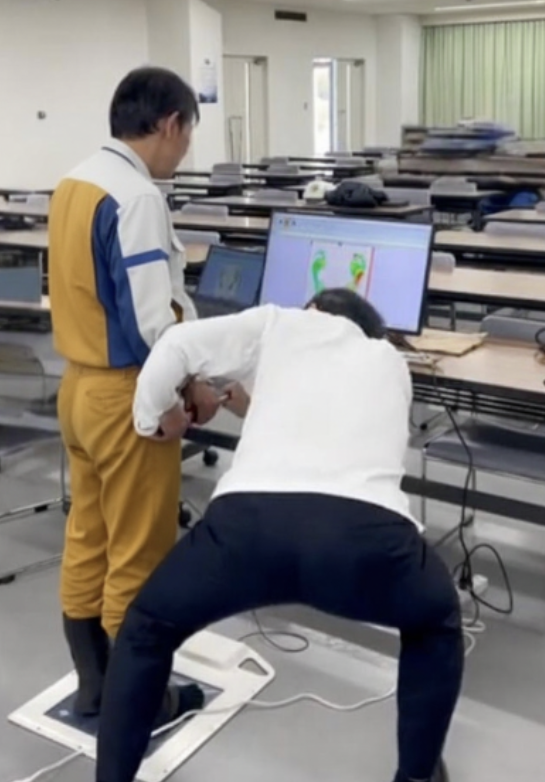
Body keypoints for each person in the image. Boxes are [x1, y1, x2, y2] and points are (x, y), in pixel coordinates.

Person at [95, 289, 464, 782]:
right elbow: (327, 415)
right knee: (436, 621)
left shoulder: (278, 322)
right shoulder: (392, 362)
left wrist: (153, 417)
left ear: (312, 310)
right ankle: (418, 775)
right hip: (363, 540)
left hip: (248, 530)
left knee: (146, 628)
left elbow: (175, 346)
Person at [48, 66, 219, 720]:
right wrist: (185, 390)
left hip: (77, 391)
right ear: (170, 123)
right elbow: (154, 323)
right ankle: (141, 701)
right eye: (188, 134)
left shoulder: (75, 182)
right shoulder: (137, 197)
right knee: (140, 554)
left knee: (88, 536)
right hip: (126, 398)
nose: (185, 151)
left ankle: (95, 685)